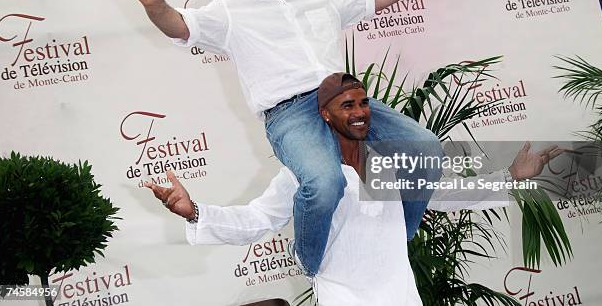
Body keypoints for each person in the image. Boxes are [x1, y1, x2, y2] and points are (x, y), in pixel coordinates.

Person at [123, 0, 462, 277]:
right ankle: (308, 259)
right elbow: (179, 25)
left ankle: (400, 237)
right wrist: (154, 6)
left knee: (424, 147)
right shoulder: (230, 12)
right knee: (324, 183)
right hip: (291, 114)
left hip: (344, 99)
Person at [145, 73, 563, 305]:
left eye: (364, 103)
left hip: (400, 293)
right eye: (348, 106)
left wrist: (511, 177)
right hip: (344, 297)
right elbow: (259, 218)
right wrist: (196, 212)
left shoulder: (388, 161)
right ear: (325, 116)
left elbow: (444, 195)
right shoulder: (310, 173)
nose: (360, 112)